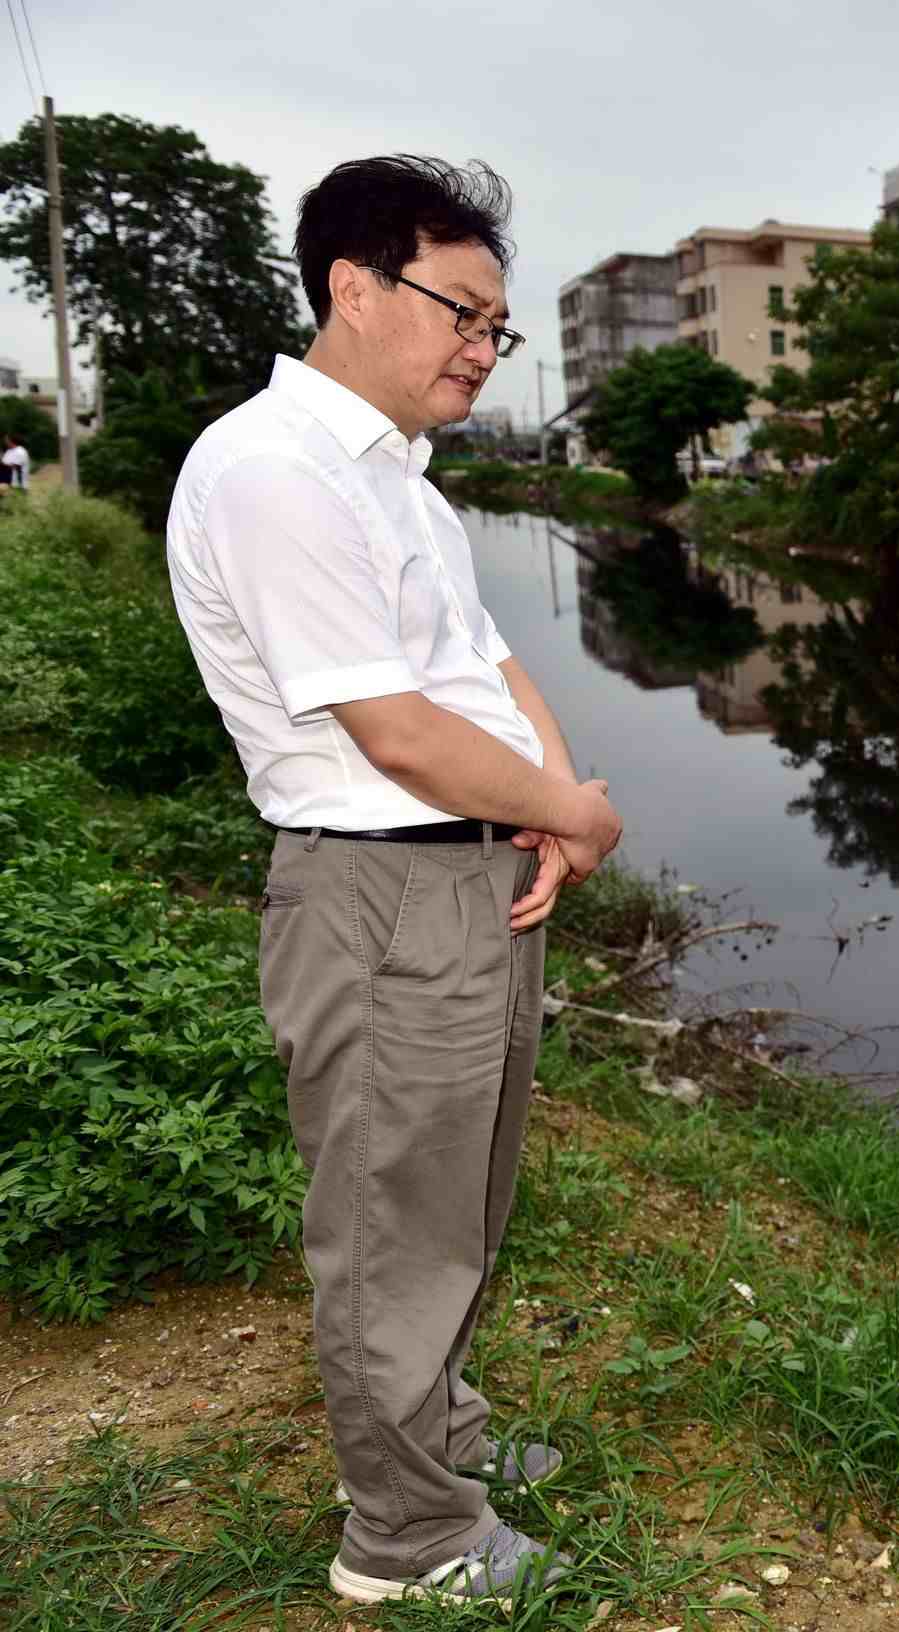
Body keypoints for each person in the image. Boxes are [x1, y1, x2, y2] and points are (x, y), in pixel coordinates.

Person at [163, 156, 623, 1608]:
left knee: (459, 1203)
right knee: (388, 1224)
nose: (484, 347)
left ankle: (443, 1441)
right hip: (377, 892)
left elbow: (479, 669)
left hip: (469, 880)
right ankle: (404, 1538)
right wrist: (573, 813)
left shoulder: (395, 481)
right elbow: (395, 730)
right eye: (462, 312)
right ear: (352, 287)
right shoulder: (271, 470)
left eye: (499, 325)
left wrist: (559, 809)